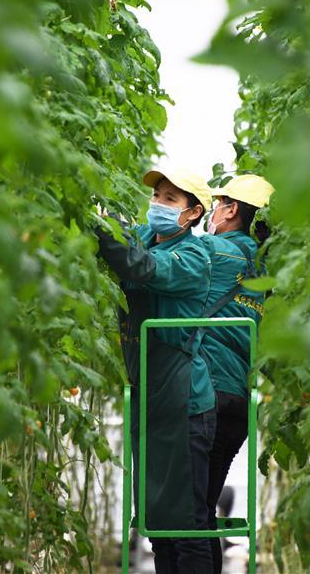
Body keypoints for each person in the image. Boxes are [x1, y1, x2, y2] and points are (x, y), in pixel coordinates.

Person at [95, 169, 216, 574]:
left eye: (169, 200)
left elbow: (143, 268)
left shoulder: (195, 257)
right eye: (157, 196)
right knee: (157, 523)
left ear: (193, 214)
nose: (157, 206)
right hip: (150, 400)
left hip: (184, 404)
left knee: (190, 526)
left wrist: (104, 229)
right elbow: (131, 248)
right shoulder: (145, 240)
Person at [198, 175, 274, 573]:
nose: (210, 213)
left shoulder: (214, 251)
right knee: (203, 508)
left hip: (206, 391)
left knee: (192, 514)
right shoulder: (263, 264)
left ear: (231, 210)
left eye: (216, 204)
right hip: (238, 400)